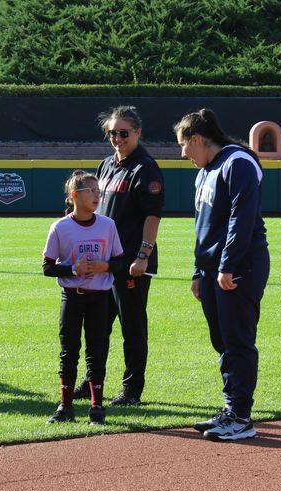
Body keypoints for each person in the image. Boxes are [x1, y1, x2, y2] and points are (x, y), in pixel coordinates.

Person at [174, 108, 270, 441]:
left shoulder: (237, 162)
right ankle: (231, 409)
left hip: (240, 265)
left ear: (197, 139)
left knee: (238, 340)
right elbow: (203, 227)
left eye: (184, 146)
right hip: (213, 268)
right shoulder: (204, 171)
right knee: (223, 341)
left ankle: (241, 418)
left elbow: (240, 219)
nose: (182, 153)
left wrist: (228, 265)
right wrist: (199, 271)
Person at [74, 105, 165, 406]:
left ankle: (132, 390)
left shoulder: (145, 168)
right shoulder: (106, 166)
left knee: (132, 328)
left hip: (131, 265)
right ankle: (92, 382)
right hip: (105, 262)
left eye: (124, 133)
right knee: (98, 327)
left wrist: (143, 256)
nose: (117, 138)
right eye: (112, 133)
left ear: (138, 132)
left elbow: (152, 216)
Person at [42, 170, 125, 425]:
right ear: (75, 195)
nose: (97, 196)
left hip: (99, 297)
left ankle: (97, 408)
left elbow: (120, 261)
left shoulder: (107, 225)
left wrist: (106, 266)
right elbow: (47, 267)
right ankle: (65, 407)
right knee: (69, 351)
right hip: (72, 297)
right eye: (91, 191)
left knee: (96, 352)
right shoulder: (61, 227)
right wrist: (72, 269)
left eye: (99, 192)